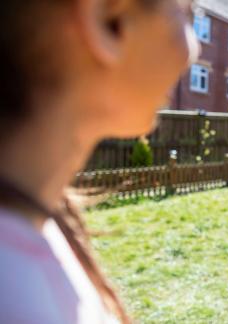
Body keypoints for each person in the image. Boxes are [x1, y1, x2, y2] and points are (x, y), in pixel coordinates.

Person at [0, 0, 200, 323]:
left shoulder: (39, 222)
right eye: (185, 13)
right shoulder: (19, 304)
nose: (195, 50)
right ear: (109, 17)